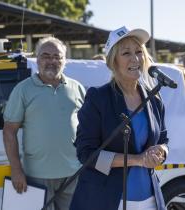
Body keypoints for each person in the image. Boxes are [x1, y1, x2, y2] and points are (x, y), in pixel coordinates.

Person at [70, 26, 169, 210]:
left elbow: (163, 140)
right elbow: (86, 154)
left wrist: (161, 151)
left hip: (149, 200)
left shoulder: (154, 99)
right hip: (108, 200)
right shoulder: (98, 99)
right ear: (113, 61)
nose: (135, 58)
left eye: (139, 51)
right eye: (126, 53)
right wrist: (138, 159)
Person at [3, 37, 86, 210]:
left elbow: (87, 130)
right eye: (46, 56)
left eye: (58, 56)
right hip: (37, 177)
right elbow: (9, 131)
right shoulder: (23, 89)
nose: (52, 61)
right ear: (38, 59)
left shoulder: (77, 88)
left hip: (72, 175)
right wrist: (16, 170)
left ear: (65, 60)